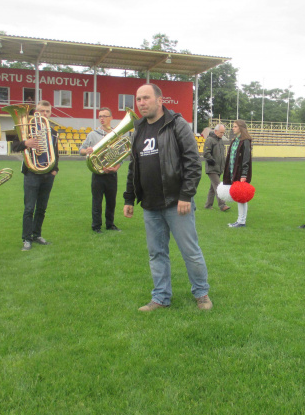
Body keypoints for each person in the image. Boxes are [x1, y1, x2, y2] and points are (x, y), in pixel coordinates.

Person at [123, 83, 212, 312]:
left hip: (177, 203)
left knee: (190, 252)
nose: (141, 103)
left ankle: (201, 293)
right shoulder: (138, 129)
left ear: (160, 100)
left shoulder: (177, 125)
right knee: (156, 254)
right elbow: (134, 167)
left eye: (146, 98)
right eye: (138, 99)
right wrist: (129, 198)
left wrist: (186, 195)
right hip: (150, 205)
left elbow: (193, 163)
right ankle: (161, 297)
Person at [11, 100, 59, 251]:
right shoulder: (26, 129)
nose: (44, 114)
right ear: (35, 113)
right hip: (32, 173)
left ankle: (36, 234)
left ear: (50, 113)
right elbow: (14, 146)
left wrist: (55, 169)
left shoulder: (53, 132)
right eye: (41, 111)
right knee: (29, 208)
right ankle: (26, 238)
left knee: (42, 208)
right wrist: (26, 143)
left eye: (47, 111)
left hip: (48, 173)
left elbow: (55, 152)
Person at [80, 107, 121, 233]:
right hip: (97, 173)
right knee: (97, 201)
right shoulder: (92, 134)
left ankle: (110, 224)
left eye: (104, 116)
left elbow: (121, 156)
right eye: (100, 116)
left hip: (111, 174)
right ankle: (96, 225)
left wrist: (116, 167)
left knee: (111, 201)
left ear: (111, 118)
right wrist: (86, 151)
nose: (102, 118)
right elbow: (81, 150)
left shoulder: (116, 134)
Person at [223, 119, 253, 228]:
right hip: (233, 171)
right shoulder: (235, 140)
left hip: (240, 173)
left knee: (241, 197)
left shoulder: (245, 141)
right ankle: (240, 220)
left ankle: (241, 221)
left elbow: (246, 159)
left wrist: (244, 175)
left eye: (235, 126)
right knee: (239, 197)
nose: (233, 128)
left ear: (240, 127)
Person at [203, 123, 230, 211]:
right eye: (221, 132)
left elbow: (222, 155)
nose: (222, 134)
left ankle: (208, 205)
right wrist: (213, 161)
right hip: (212, 168)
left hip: (219, 168)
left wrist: (225, 165)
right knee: (218, 186)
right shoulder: (210, 140)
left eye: (223, 133)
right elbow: (206, 153)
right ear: (215, 131)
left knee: (212, 188)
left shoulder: (220, 141)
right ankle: (222, 205)